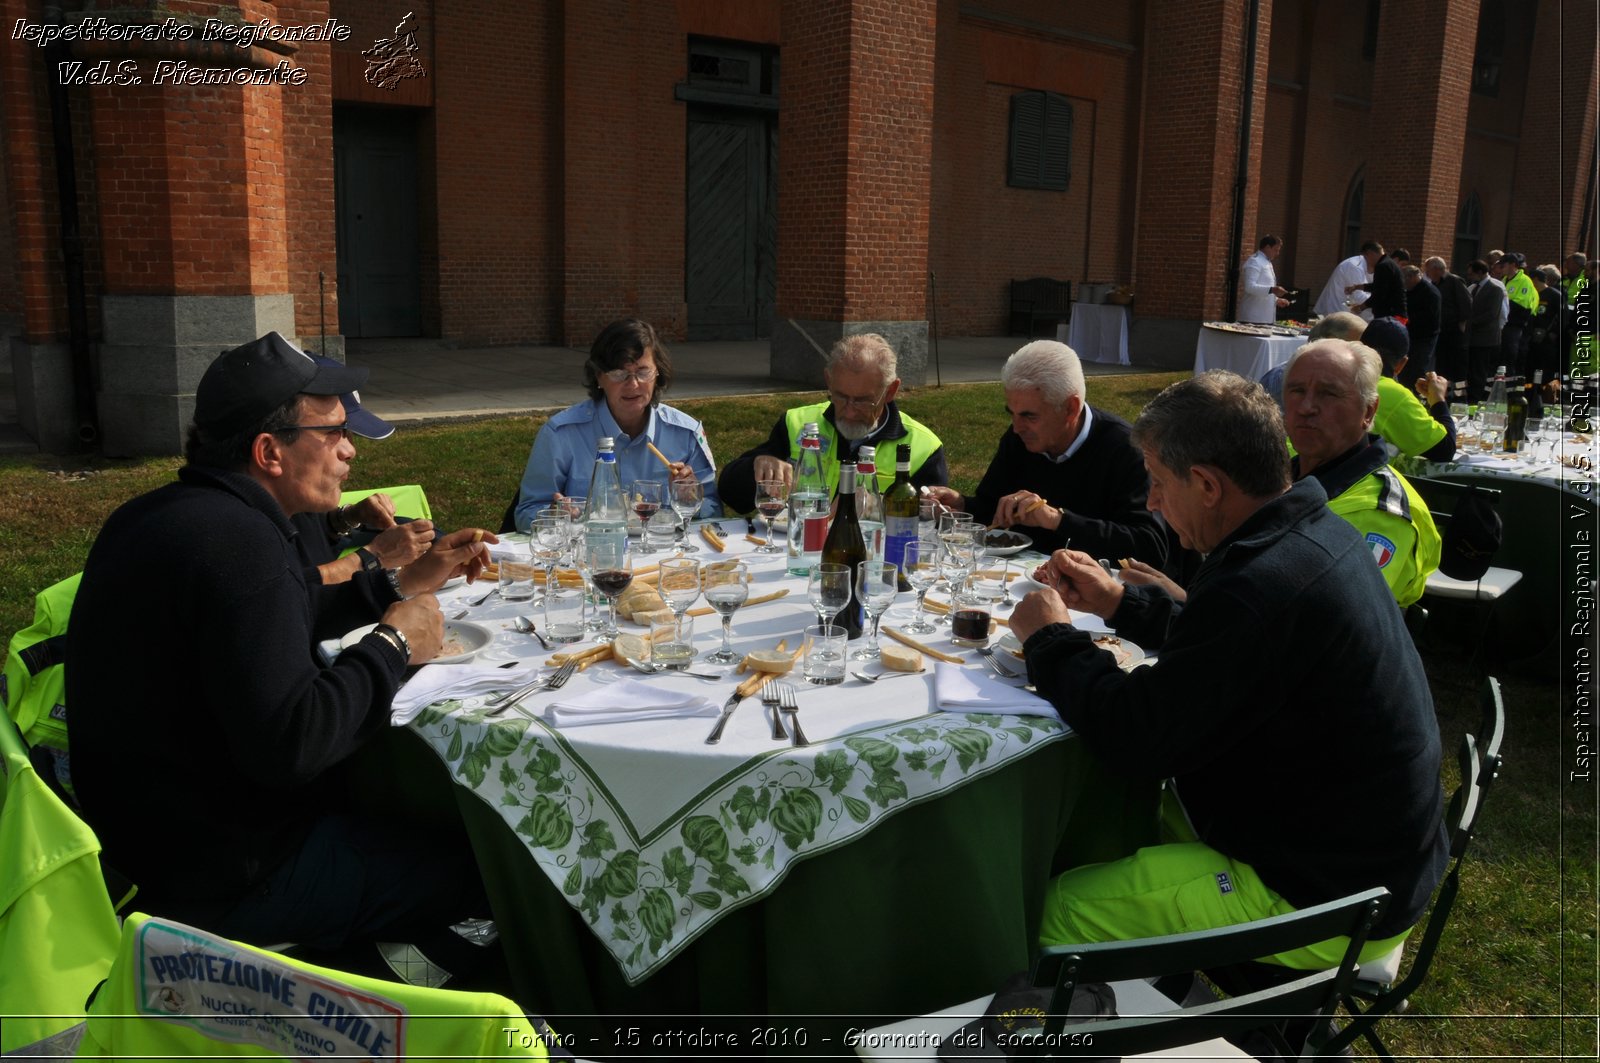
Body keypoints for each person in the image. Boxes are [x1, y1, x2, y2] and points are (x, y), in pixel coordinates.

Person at [67, 331, 498, 967]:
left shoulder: (168, 516)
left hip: (153, 843)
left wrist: (392, 587)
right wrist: (395, 641)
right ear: (270, 451)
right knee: (492, 864)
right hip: (228, 877)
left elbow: (270, 612)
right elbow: (296, 743)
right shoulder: (238, 545)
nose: (350, 450)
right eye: (332, 433)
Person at [1010, 370, 1446, 969]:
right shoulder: (1308, 532)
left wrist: (1050, 638)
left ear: (1209, 485)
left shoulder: (1262, 582)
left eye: (1159, 484)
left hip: (1325, 897)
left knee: (1038, 909)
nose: (1154, 503)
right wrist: (1117, 600)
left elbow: (1137, 735)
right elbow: (1227, 643)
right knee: (1109, 827)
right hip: (1365, 859)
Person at [924, 340, 1167, 564]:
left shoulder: (1125, 449)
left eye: (1030, 416)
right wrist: (962, 504)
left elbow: (1150, 546)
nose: (1017, 428)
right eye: (1012, 413)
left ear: (1071, 408)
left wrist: (1058, 520)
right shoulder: (1019, 439)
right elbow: (995, 510)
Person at [514, 318, 718, 530]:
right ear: (599, 377)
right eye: (619, 374)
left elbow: (714, 511)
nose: (633, 384)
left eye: (643, 372)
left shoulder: (686, 433)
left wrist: (689, 500)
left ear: (658, 372)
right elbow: (526, 512)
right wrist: (557, 517)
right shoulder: (561, 434)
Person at [1283, 339, 1440, 607]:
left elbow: (1335, 618)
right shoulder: (1282, 475)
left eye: (1328, 393)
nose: (1306, 407)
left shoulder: (1380, 513)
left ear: (1368, 412)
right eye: (1297, 390)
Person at [717, 332, 947, 512]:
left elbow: (932, 524)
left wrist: (880, 510)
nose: (849, 411)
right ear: (828, 380)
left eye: (863, 401)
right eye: (840, 396)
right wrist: (756, 466)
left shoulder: (923, 447)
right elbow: (731, 495)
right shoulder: (797, 423)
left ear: (890, 391)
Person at [1360, 317, 1456, 462]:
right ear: (1402, 364)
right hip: (1365, 480)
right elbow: (1444, 449)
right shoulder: (1393, 394)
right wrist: (1437, 399)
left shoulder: (1341, 378)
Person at [1424, 255, 1472, 386]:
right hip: (1440, 330)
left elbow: (1466, 303)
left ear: (1437, 269)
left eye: (1428, 270)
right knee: (1441, 364)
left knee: (1454, 364)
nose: (1427, 273)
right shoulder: (1434, 284)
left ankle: (1457, 394)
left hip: (1453, 330)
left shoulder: (1454, 281)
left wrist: (1461, 323)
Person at [1465, 258, 1507, 402]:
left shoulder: (1495, 289)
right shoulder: (1473, 288)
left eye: (1472, 274)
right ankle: (1471, 395)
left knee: (1480, 370)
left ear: (1481, 272)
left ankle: (1477, 398)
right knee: (1472, 369)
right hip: (1473, 338)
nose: (1470, 277)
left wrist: (1469, 323)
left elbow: (1492, 314)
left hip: (1486, 338)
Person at [1314, 241, 1380, 318]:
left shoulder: (1370, 267)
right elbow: (1359, 297)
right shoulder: (1355, 267)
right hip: (1334, 314)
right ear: (1370, 255)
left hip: (1343, 314)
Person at [1400, 264, 1441, 385]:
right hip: (1410, 335)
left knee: (1418, 368)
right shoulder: (1410, 290)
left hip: (1424, 337)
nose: (1403, 283)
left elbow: (1430, 317)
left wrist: (1408, 318)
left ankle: (1419, 395)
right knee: (1406, 368)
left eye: (1404, 280)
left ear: (1412, 277)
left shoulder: (1430, 292)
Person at [1499, 252, 1538, 375]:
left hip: (1515, 325)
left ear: (1513, 265)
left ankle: (1513, 389)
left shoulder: (1524, 281)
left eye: (1503, 265)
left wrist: (1503, 304)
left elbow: (1522, 305)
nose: (1501, 268)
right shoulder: (1504, 280)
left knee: (1511, 356)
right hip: (1504, 324)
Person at [1238, 234, 1290, 324]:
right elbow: (1250, 287)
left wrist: (1276, 300)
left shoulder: (1267, 262)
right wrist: (1272, 290)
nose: (1277, 254)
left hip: (1264, 319)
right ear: (1267, 247)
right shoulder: (1255, 261)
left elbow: (1265, 288)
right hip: (1252, 319)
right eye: (1275, 250)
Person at [1346, 247, 1407, 320]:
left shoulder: (1383, 265)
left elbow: (1379, 293)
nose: (1367, 263)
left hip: (1391, 316)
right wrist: (1357, 287)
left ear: (1371, 254)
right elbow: (1378, 286)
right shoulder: (1389, 265)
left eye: (1366, 258)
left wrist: (1361, 307)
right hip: (1396, 314)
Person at [1528, 265, 1565, 384]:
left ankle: (1541, 391)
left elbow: (1564, 316)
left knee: (1542, 368)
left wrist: (1554, 333)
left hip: (1547, 340)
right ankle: (1531, 389)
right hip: (1532, 338)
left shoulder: (1554, 295)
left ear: (1535, 279)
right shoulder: (1533, 294)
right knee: (1531, 366)